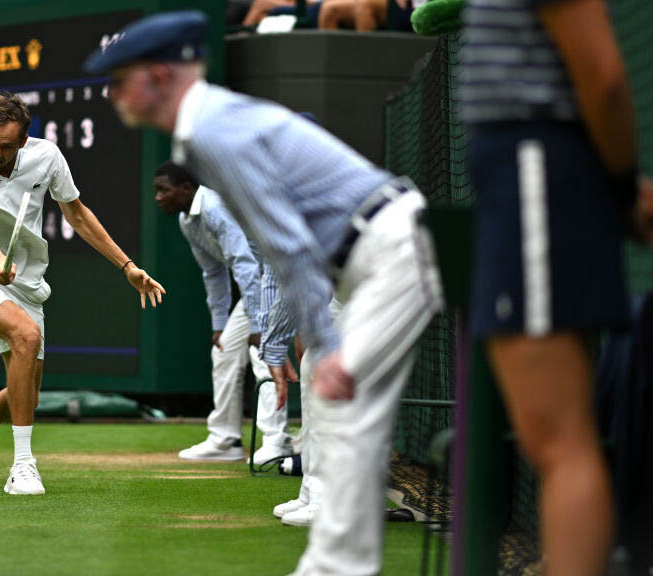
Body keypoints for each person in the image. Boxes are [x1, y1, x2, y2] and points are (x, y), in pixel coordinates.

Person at [84, 11, 443, 575]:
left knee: (343, 405)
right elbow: (281, 247)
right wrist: (287, 343)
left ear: (160, 76)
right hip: (366, 257)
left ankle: (333, 566)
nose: (111, 94)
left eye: (120, 79)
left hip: (389, 252)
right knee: (338, 403)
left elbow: (285, 244)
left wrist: (316, 339)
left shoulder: (212, 132)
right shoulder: (207, 126)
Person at [461, 1, 653, 574]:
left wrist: (623, 190)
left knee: (560, 441)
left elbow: (604, 79)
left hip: (535, 169)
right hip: (524, 174)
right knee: (551, 439)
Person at [0, 92, 165, 495]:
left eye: (5, 146)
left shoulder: (46, 157)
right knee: (26, 335)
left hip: (27, 283)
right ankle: (23, 466)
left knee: (27, 394)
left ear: (23, 140)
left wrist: (127, 266)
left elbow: (77, 215)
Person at [153, 161, 293, 464]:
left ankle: (277, 442)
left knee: (263, 353)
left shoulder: (215, 208)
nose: (158, 197)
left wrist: (257, 325)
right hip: (258, 285)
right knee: (225, 350)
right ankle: (225, 440)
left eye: (164, 190)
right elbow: (213, 272)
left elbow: (245, 264)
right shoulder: (187, 222)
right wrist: (219, 324)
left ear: (186, 189)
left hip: (279, 279)